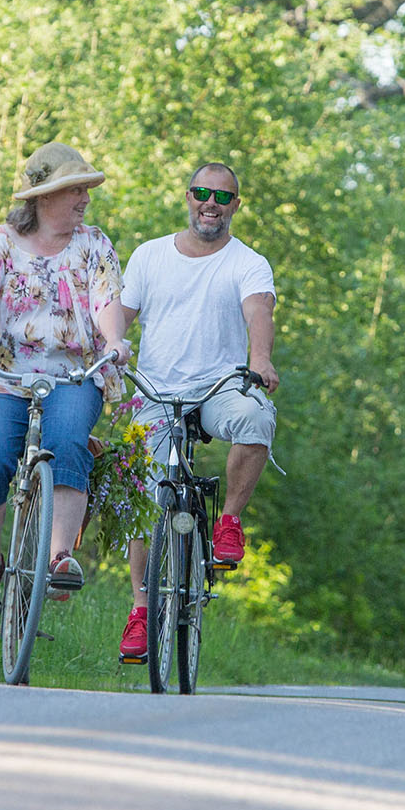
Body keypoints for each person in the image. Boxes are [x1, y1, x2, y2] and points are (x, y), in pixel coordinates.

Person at [0, 142, 131, 614]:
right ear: (44, 197)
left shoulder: (93, 244)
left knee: (67, 442)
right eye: (75, 191)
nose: (85, 199)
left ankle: (58, 557)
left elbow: (107, 303)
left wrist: (114, 342)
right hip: (2, 373)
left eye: (86, 190)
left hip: (72, 374)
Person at [116, 161, 279, 663]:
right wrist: (108, 351)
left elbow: (259, 312)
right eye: (202, 193)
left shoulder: (248, 262)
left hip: (218, 388)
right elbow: (120, 319)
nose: (211, 203)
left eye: (222, 197)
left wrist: (260, 360)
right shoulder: (148, 255)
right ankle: (141, 611)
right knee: (143, 495)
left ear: (235, 206)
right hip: (156, 391)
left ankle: (228, 521)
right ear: (187, 196)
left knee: (256, 417)